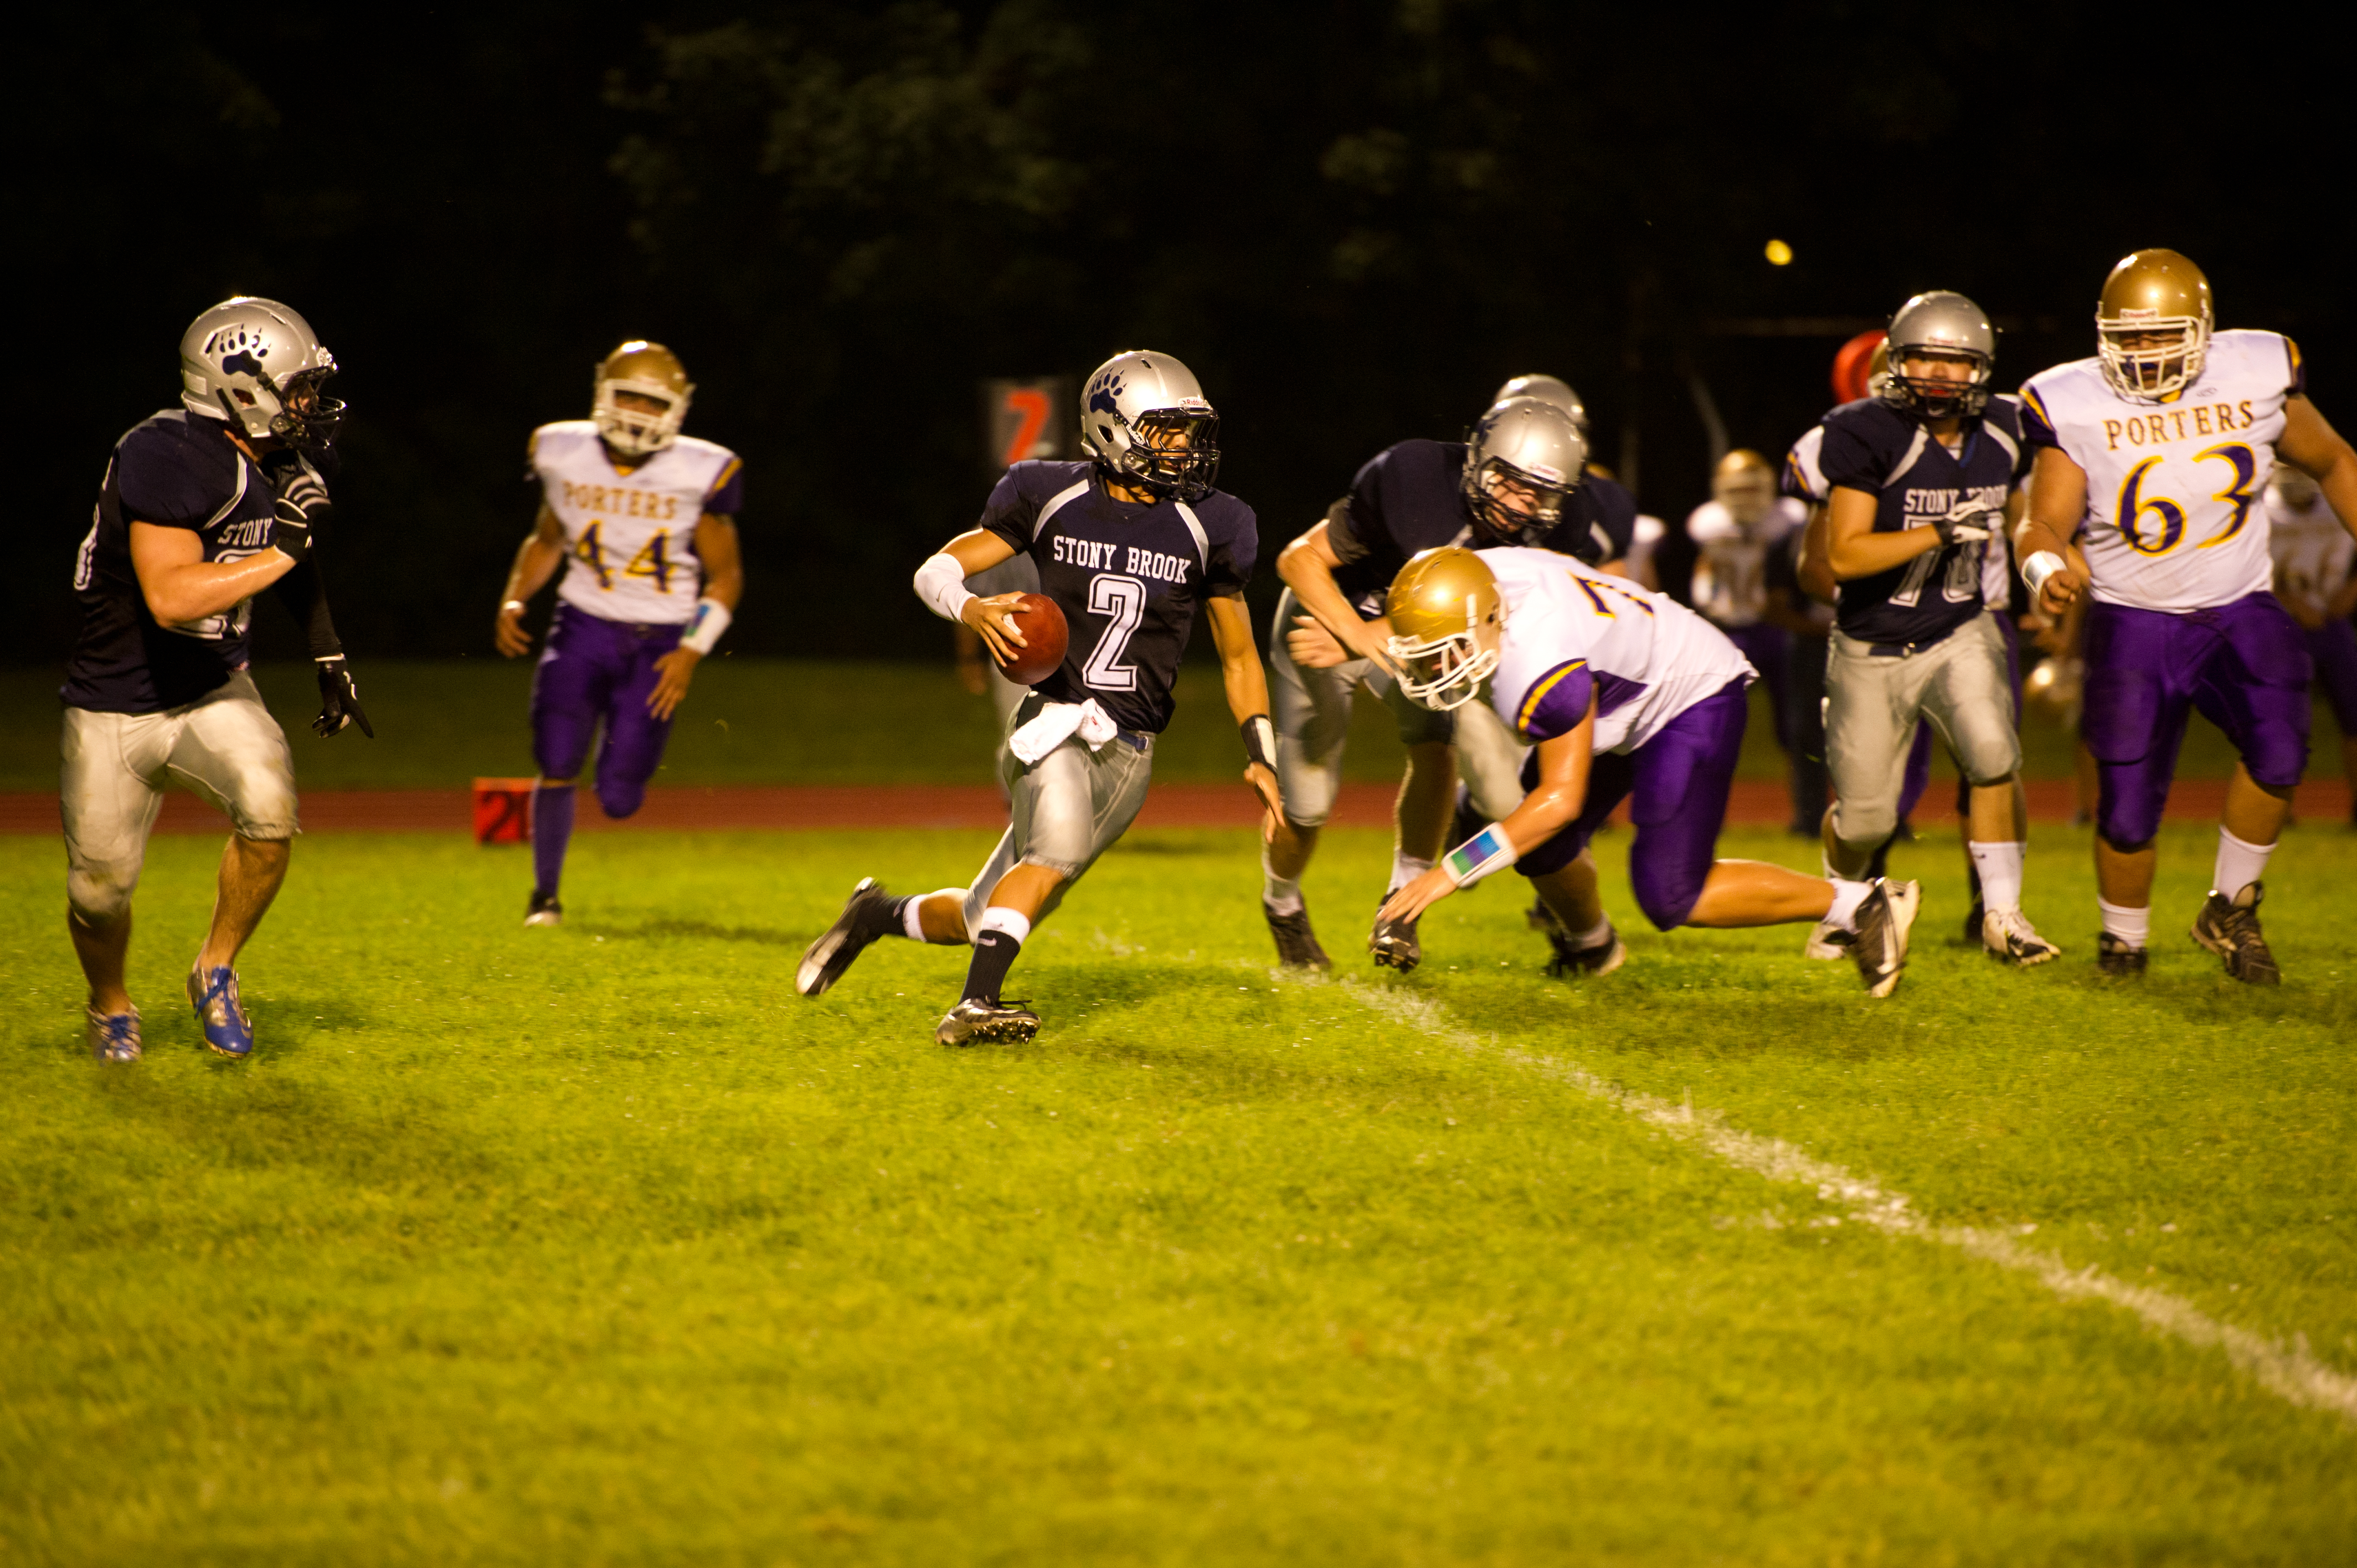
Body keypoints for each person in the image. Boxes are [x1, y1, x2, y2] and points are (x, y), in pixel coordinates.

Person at [795, 351, 1282, 1044]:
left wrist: (1260, 754)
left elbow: (1238, 656)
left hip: (1132, 752)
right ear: (1113, 429)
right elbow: (936, 568)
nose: (1183, 447)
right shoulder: (1045, 491)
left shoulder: (1215, 523)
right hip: (1053, 724)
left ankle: (874, 915)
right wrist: (969, 610)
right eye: (1167, 430)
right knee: (1051, 857)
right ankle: (975, 1007)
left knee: (982, 913)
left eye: (1188, 431)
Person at [2019, 250, 2357, 979]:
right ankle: (2124, 940)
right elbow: (2042, 524)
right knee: (2130, 805)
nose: (2145, 353)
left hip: (2241, 606)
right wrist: (2044, 568)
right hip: (2133, 620)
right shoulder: (2074, 400)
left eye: (2162, 334)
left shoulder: (2257, 371)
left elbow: (2332, 461)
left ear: (2204, 329)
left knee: (2280, 751)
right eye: (2129, 337)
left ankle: (2230, 907)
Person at [1373, 547, 1919, 996]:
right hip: (1622, 685)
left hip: (1686, 694)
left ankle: (1860, 905)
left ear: (1489, 618)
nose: (1434, 669)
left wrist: (1448, 872)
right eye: (1423, 655)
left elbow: (1559, 800)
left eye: (1445, 652)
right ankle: (1594, 950)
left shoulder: (1536, 665)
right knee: (1539, 846)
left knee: (1671, 893)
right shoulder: (1480, 573)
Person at [61, 297, 370, 1061]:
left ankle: (216, 966)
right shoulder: (165, 454)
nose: (310, 406)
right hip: (114, 703)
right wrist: (286, 553)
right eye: (297, 388)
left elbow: (285, 550)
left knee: (269, 809)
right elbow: (171, 597)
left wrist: (326, 650)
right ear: (242, 387)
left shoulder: (277, 453)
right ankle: (111, 1004)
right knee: (98, 896)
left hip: (211, 686)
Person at [1264, 396, 1594, 973]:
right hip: (1324, 619)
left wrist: (1378, 637)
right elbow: (1297, 560)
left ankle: (1402, 904)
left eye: (1536, 494)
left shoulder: (1556, 533)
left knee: (1437, 747)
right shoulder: (1412, 477)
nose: (1519, 504)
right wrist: (1352, 634)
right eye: (1508, 481)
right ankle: (1281, 901)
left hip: (1414, 638)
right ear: (1478, 458)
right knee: (1307, 805)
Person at [1810, 290, 2058, 966]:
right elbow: (1844, 554)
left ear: (1981, 368)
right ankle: (1839, 903)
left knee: (1992, 755)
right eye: (1923, 358)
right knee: (1867, 820)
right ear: (1895, 360)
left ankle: (2002, 915)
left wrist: (2041, 569)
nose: (1939, 375)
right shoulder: (1861, 430)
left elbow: (2030, 512)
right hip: (1870, 645)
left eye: (1956, 362)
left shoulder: (2007, 428)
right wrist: (1937, 531)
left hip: (1958, 625)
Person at [494, 342, 745, 927]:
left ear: (676, 410)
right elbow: (550, 536)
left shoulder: (701, 470)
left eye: (650, 402)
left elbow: (726, 576)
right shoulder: (564, 451)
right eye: (626, 395)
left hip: (659, 640)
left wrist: (691, 649)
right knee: (556, 757)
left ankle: (620, 782)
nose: (635, 412)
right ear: (602, 395)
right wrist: (516, 595)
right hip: (581, 622)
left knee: (619, 797)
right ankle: (544, 898)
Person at [1684, 450, 1813, 832]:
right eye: (1736, 488)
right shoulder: (1709, 524)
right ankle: (1703, 815)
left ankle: (1806, 815)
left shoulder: (1788, 519)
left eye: (1752, 488)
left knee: (1797, 727)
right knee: (1711, 724)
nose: (1745, 497)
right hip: (1727, 631)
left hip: (1774, 628)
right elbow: (1704, 569)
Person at [2267, 465, 2357, 822]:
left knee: (2354, 717)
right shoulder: (2263, 509)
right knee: (2279, 722)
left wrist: (2350, 593)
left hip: (2333, 624)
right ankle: (2277, 813)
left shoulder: (2339, 499)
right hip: (2281, 629)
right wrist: (2288, 601)